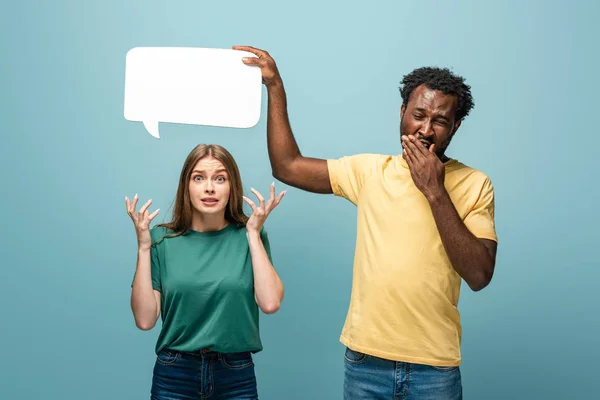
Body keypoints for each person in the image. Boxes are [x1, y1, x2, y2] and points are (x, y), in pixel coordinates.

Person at [234, 45, 498, 399]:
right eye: (418, 115)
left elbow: (479, 276)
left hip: (434, 368)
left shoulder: (475, 183)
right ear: (402, 111)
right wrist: (275, 87)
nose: (425, 130)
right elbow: (288, 166)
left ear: (456, 126)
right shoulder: (371, 171)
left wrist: (435, 191)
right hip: (365, 364)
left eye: (440, 121)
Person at [127, 144, 285, 400]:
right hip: (175, 374)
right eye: (198, 178)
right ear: (186, 186)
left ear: (231, 186)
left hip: (236, 374)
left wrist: (254, 234)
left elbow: (269, 302)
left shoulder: (250, 236)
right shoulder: (160, 240)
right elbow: (145, 320)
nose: (209, 187)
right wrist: (144, 248)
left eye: (220, 178)